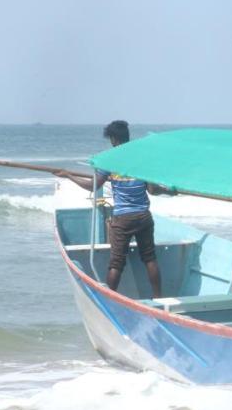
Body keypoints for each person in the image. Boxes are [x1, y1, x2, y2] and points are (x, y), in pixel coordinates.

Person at [55, 120, 171, 295]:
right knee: (149, 259)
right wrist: (170, 192)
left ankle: (109, 298)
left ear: (114, 139)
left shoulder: (109, 160)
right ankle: (158, 297)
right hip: (143, 216)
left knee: (116, 263)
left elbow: (93, 186)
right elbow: (153, 190)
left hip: (123, 218)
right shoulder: (142, 157)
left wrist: (69, 175)